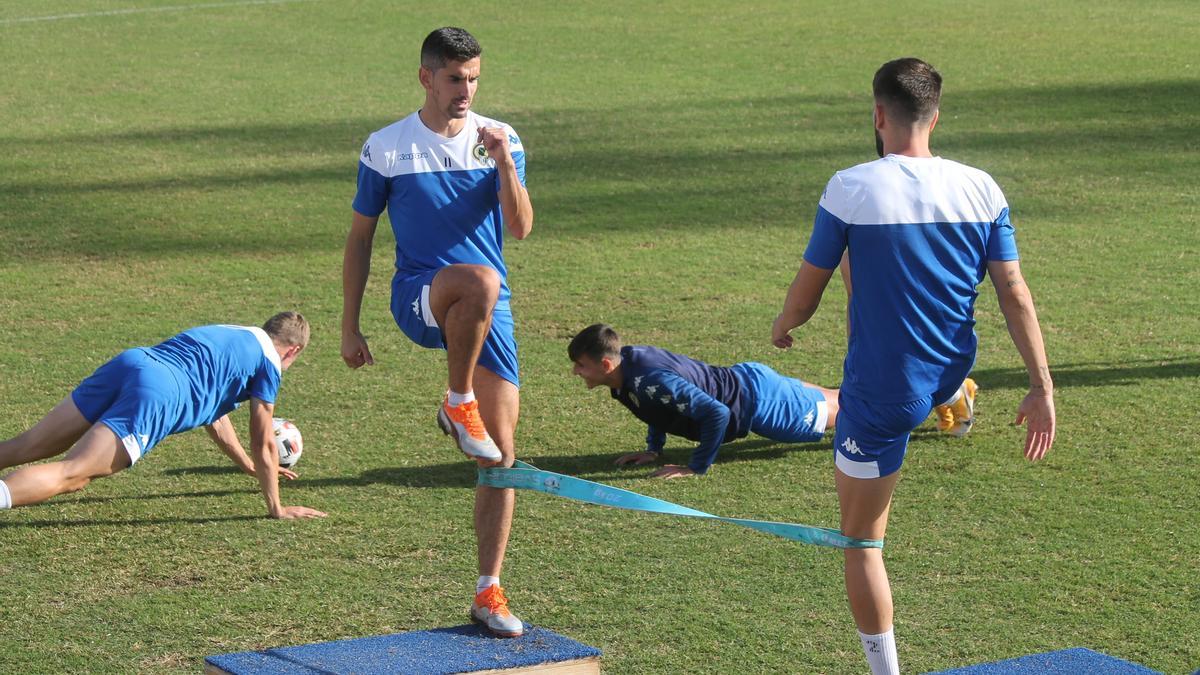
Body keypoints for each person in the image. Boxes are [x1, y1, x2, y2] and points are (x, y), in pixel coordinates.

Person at [772, 58, 1056, 675]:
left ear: (877, 116)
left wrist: (784, 326)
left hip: (881, 396)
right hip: (946, 372)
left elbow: (804, 293)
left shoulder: (850, 186)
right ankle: (956, 396)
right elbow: (1014, 292)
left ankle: (885, 671)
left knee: (861, 542)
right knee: (871, 277)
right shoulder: (983, 187)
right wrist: (1041, 386)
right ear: (936, 116)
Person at [340, 27, 533, 637]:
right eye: (455, 79)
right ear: (426, 77)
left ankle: (488, 591)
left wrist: (503, 160)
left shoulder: (501, 139)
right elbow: (361, 238)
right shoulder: (386, 147)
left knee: (502, 458)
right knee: (478, 279)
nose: (466, 91)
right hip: (420, 294)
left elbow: (521, 229)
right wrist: (350, 324)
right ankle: (457, 403)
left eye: (474, 79)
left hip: (487, 309)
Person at [0, 312, 326, 520]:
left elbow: (213, 415)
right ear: (294, 350)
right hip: (158, 393)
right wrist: (276, 508)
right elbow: (264, 439)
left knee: (28, 444)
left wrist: (245, 465)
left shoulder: (235, 332)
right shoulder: (270, 363)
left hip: (133, 362)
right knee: (74, 474)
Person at [569, 324, 839, 478]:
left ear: (606, 364)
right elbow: (657, 407)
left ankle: (881, 413)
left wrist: (694, 467)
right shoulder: (626, 368)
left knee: (850, 411)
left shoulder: (648, 380)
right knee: (844, 398)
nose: (576, 372)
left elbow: (717, 413)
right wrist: (654, 449)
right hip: (748, 381)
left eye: (581, 365)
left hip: (762, 404)